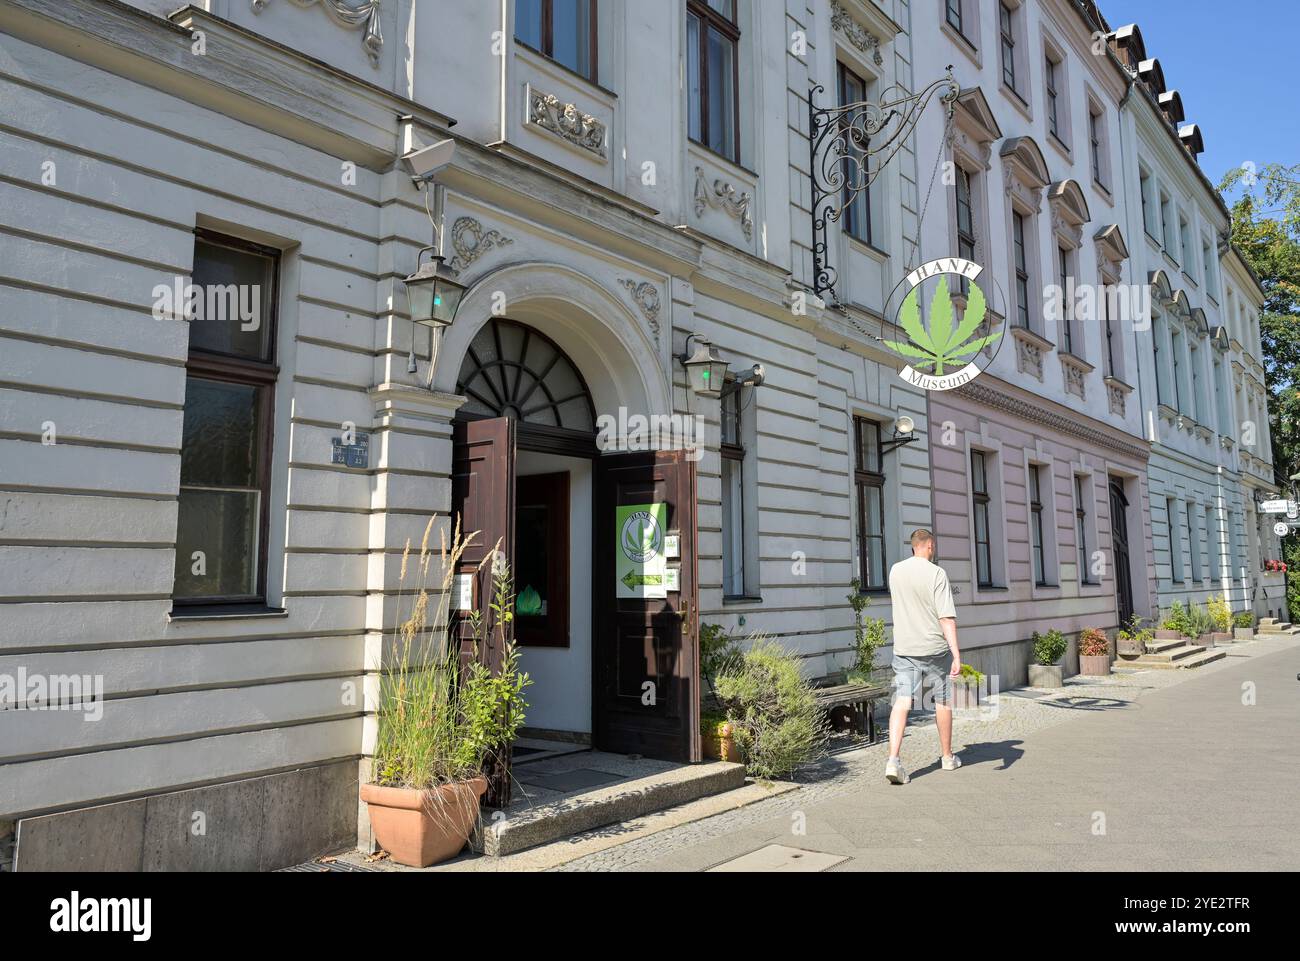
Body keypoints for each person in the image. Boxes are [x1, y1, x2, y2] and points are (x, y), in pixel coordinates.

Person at [884, 528, 961, 784]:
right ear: (930, 546)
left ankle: (893, 760)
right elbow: (946, 618)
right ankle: (947, 757)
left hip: (905, 648)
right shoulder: (937, 574)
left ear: (912, 546)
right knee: (942, 701)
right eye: (933, 547)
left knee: (902, 701)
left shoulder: (895, 571)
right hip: (934, 649)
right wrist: (956, 654)